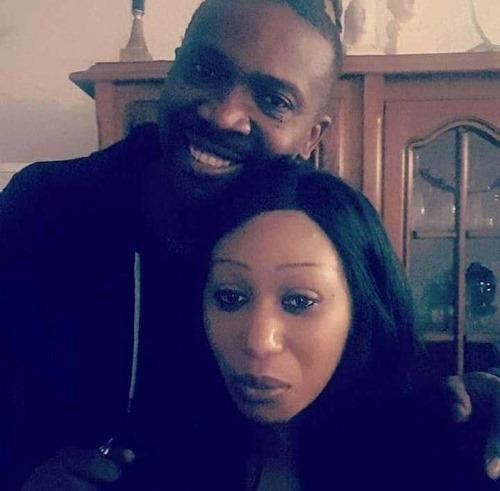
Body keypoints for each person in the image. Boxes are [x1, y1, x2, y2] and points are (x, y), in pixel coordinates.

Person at [0, 0, 498, 487]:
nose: (224, 114)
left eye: (273, 100)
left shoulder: (315, 235)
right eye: (206, 70)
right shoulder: (47, 207)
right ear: (175, 68)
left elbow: (383, 380)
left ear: (312, 137)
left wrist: (476, 401)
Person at [21, 161, 498, 489]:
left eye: (299, 301)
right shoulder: (151, 455)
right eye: (230, 297)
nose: (257, 341)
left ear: (362, 310)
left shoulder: (444, 459)